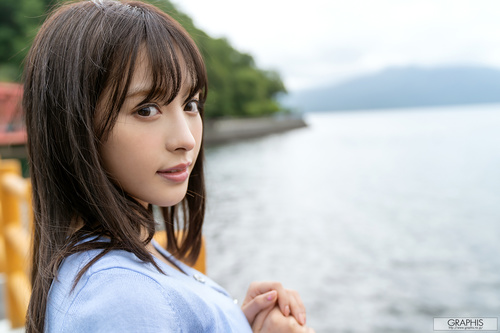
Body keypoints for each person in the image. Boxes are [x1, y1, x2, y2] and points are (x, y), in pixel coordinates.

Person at [22, 1, 314, 332]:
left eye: (190, 104)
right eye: (146, 110)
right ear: (73, 126)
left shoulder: (122, 254)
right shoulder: (122, 300)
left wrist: (234, 323)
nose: (186, 139)